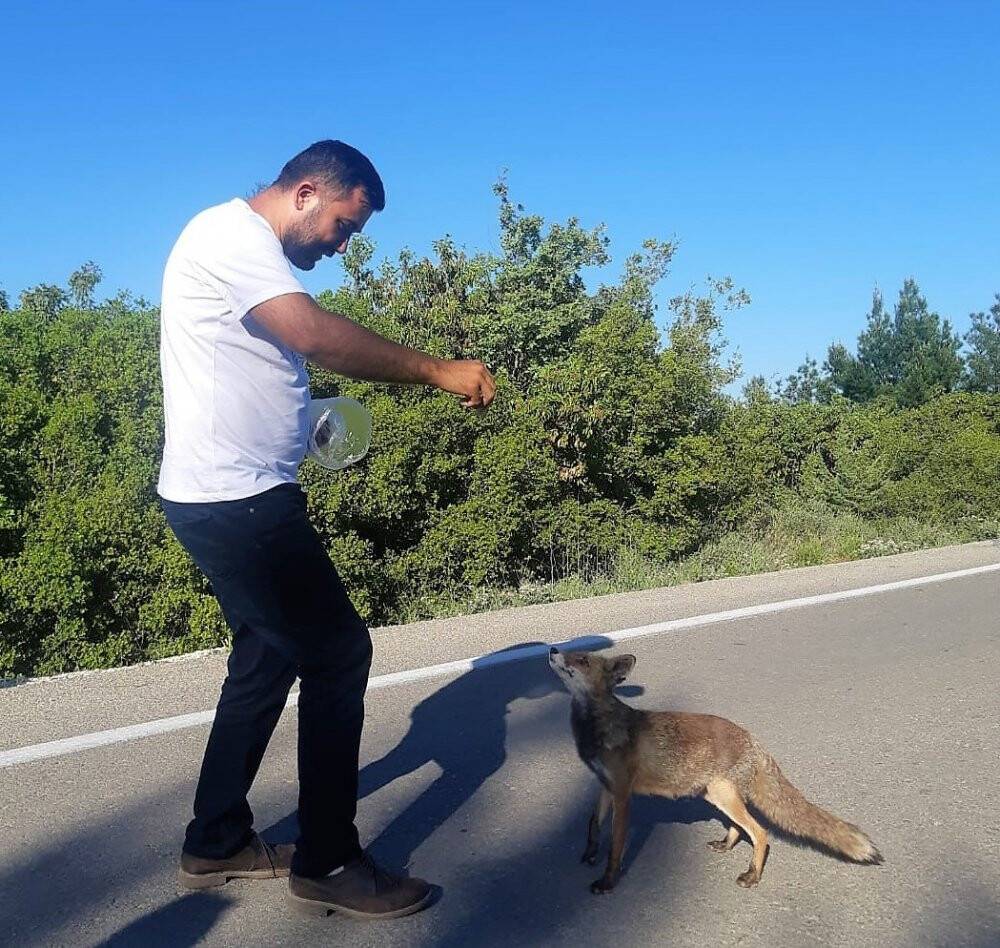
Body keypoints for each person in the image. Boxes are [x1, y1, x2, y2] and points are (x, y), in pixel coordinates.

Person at [157, 139, 495, 920]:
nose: (342, 247)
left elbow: (250, 366)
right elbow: (309, 332)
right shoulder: (229, 236)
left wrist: (295, 424)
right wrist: (439, 369)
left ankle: (215, 842)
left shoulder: (238, 248)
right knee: (340, 653)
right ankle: (330, 863)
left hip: (228, 491)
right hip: (237, 503)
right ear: (307, 191)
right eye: (344, 226)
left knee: (268, 659)